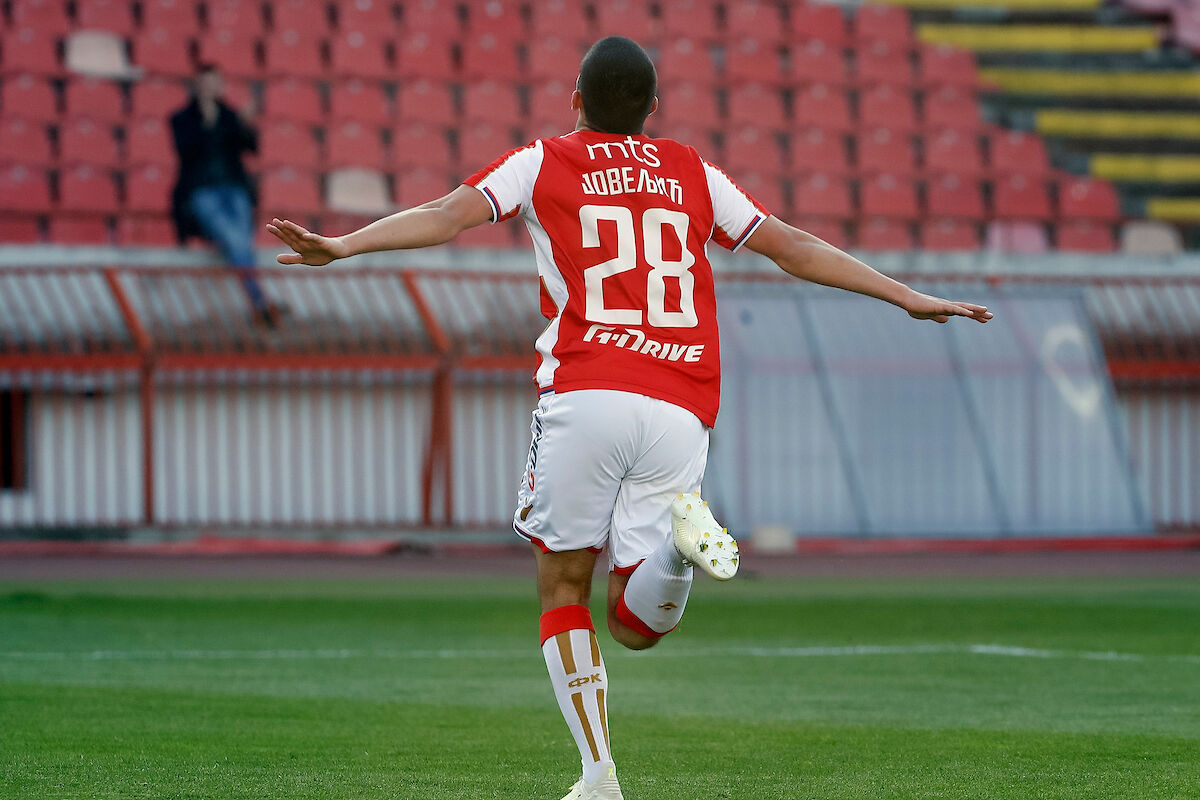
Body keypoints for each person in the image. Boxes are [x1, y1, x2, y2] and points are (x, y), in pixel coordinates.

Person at [268, 36, 992, 800]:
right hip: (680, 405)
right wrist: (905, 295)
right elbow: (793, 246)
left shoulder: (542, 161)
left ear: (575, 100)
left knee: (564, 590)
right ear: (654, 108)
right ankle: (676, 551)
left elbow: (446, 215)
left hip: (587, 392)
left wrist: (344, 245)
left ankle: (598, 774)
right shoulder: (692, 172)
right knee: (634, 624)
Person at [170, 63, 283, 327]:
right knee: (236, 239)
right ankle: (260, 302)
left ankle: (260, 305)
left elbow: (251, 147)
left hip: (234, 189)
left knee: (240, 241)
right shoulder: (182, 119)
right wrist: (207, 124)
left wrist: (244, 124)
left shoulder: (231, 117)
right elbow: (186, 152)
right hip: (202, 192)